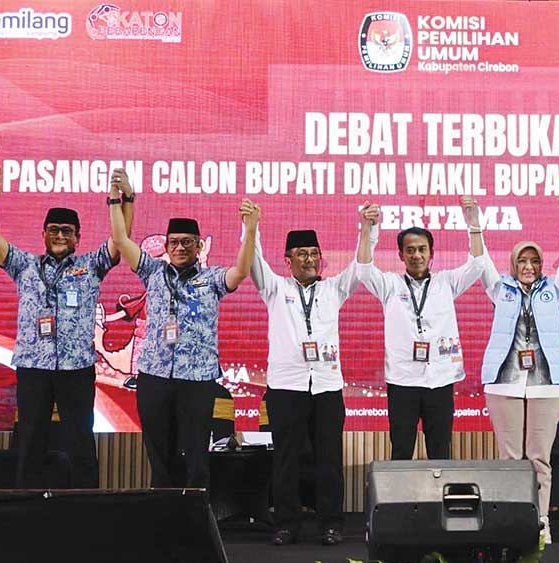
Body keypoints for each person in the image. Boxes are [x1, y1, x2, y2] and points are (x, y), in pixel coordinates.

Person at [0, 167, 135, 489]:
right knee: (30, 440)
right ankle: (27, 504)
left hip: (76, 367)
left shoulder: (90, 266)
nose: (60, 236)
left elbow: (120, 242)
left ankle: (86, 504)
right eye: (54, 230)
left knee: (80, 441)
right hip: (33, 366)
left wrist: (127, 199)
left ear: (78, 237)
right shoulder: (24, 265)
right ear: (44, 234)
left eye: (67, 231)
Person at [108, 181, 257, 488]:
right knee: (159, 456)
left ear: (199, 246)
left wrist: (251, 228)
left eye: (187, 242)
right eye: (174, 242)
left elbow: (241, 271)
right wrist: (118, 199)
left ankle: (195, 511)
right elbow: (121, 240)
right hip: (155, 377)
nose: (179, 248)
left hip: (197, 379)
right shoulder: (152, 272)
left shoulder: (211, 279)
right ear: (166, 246)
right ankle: (164, 510)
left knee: (196, 457)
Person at [251, 204, 379, 547]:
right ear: (287, 260)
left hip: (326, 386)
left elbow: (361, 266)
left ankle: (331, 523)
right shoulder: (275, 289)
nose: (309, 260)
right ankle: (286, 524)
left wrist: (367, 229)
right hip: (285, 387)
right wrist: (252, 227)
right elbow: (253, 262)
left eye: (314, 254)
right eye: (302, 254)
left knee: (329, 460)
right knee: (286, 460)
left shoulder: (333, 289)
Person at [479, 189, 559, 545]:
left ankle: (540, 521)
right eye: (523, 260)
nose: (529, 266)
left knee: (539, 459)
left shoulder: (554, 290)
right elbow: (481, 259)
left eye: (535, 261)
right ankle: (510, 520)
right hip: (504, 384)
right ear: (513, 264)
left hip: (546, 385)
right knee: (510, 458)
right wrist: (474, 223)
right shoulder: (499, 289)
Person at [356, 197, 486, 460]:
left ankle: (438, 490)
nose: (417, 255)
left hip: (440, 379)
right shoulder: (390, 285)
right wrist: (368, 229)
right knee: (401, 451)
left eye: (422, 249)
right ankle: (401, 490)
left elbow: (478, 265)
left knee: (440, 451)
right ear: (401, 255)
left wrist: (474, 223)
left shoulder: (446, 283)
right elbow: (363, 270)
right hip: (402, 380)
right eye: (411, 250)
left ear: (431, 253)